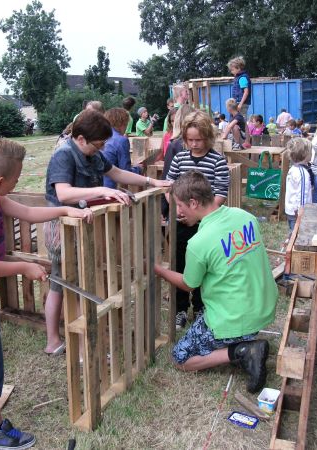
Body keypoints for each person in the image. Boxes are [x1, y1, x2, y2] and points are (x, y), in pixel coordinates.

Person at [0, 138, 92, 449]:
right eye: (16, 178)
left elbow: (28, 212)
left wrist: (66, 209)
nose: (17, 183)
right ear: (0, 181)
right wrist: (24, 267)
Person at [43, 110, 171, 355]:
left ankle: (79, 343)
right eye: (98, 144)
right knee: (69, 285)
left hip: (83, 224)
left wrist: (152, 182)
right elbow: (63, 193)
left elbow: (116, 173)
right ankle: (76, 348)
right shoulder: (64, 155)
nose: (101, 148)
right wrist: (102, 191)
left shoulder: (92, 154)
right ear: (81, 139)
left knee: (80, 282)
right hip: (64, 230)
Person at [154, 171, 277, 393]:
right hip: (262, 308)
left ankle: (241, 351)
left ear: (193, 203)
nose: (178, 211)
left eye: (180, 205)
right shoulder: (244, 216)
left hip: (234, 318)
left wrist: (159, 270)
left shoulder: (199, 242)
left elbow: (189, 284)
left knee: (180, 357)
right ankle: (242, 341)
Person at [165, 112, 230, 329]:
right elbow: (169, 187)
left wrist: (199, 214)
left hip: (205, 225)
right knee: (180, 264)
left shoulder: (217, 161)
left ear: (208, 137)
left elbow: (220, 193)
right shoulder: (179, 159)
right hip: (181, 223)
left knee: (205, 266)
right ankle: (180, 309)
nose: (194, 144)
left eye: (199, 140)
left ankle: (202, 306)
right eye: (190, 139)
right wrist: (179, 210)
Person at [101, 108, 142, 188]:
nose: (126, 127)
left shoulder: (101, 135)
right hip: (110, 188)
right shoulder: (121, 140)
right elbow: (125, 171)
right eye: (126, 124)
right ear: (122, 123)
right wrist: (138, 169)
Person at [284, 138, 313, 231]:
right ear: (305, 154)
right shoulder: (302, 173)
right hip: (298, 212)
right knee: (297, 235)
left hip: (291, 210)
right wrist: (301, 211)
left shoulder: (293, 169)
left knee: (292, 232)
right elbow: (302, 193)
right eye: (310, 151)